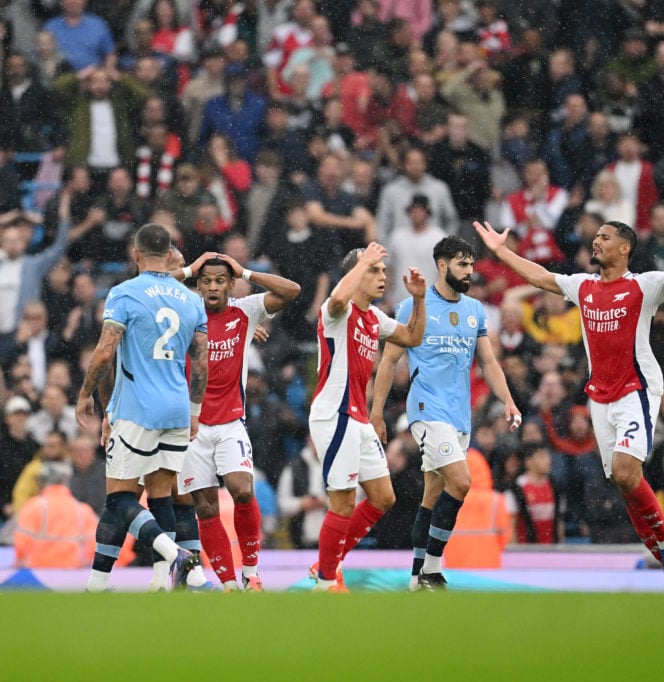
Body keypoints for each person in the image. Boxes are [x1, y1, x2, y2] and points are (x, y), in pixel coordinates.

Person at [473, 208, 664, 591]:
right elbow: (539, 276)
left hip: (636, 389)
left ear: (625, 247)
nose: (595, 241)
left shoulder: (643, 286)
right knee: (622, 480)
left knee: (627, 471)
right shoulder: (582, 285)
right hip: (599, 397)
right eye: (595, 237)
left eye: (604, 237)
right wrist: (501, 253)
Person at [371, 235, 521, 591]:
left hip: (459, 415)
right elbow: (389, 362)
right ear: (442, 265)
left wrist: (509, 400)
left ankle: (415, 576)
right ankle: (434, 571)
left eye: (471, 264)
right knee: (461, 481)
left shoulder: (474, 310)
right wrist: (376, 413)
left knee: (432, 495)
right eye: (462, 264)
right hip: (426, 409)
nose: (470, 271)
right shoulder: (412, 307)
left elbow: (488, 361)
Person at [76, 223, 206, 593]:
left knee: (119, 499)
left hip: (138, 409)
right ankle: (158, 584)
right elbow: (202, 360)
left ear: (135, 254)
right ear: (169, 255)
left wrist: (87, 394)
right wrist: (194, 410)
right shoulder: (190, 299)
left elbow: (105, 352)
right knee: (160, 494)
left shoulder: (124, 293)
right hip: (177, 408)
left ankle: (176, 555)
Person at [170, 251, 300, 591]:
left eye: (220, 281)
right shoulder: (185, 313)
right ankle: (228, 584)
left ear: (231, 284)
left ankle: (251, 572)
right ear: (198, 287)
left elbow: (292, 291)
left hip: (230, 422)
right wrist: (188, 269)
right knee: (206, 506)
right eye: (206, 282)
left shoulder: (245, 310)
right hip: (191, 426)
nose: (213, 287)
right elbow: (150, 292)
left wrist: (247, 271)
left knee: (242, 491)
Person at [308, 242, 428, 592]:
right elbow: (336, 299)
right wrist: (362, 262)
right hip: (335, 414)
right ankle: (327, 582)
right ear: (356, 273)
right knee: (343, 502)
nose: (382, 277)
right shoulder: (338, 313)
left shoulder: (374, 318)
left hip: (358, 417)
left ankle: (325, 564)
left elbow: (411, 336)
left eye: (382, 270)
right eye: (374, 270)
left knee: (383, 497)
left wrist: (418, 300)